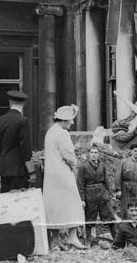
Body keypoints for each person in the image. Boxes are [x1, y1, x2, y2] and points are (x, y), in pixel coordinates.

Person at [43, 104, 87, 250]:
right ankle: (72, 237)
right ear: (64, 120)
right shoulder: (62, 133)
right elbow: (68, 155)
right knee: (73, 201)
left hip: (51, 174)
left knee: (54, 205)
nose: (72, 123)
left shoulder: (50, 132)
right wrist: (75, 164)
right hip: (62, 172)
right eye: (71, 120)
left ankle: (56, 239)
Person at [0, 90, 32, 193]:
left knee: (5, 200)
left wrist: (0, 164)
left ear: (10, 103)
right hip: (19, 169)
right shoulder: (23, 120)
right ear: (24, 103)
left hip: (4, 169)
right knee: (19, 202)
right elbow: (25, 148)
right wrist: (31, 171)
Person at [76, 147, 116, 244]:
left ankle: (116, 240)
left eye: (96, 152)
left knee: (109, 217)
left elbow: (107, 180)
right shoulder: (83, 166)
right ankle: (88, 241)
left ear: (99, 155)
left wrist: (110, 193)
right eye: (92, 152)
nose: (94, 154)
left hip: (102, 194)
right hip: (90, 195)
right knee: (89, 219)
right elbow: (80, 184)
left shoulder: (102, 166)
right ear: (89, 154)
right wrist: (82, 199)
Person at [115, 143, 137, 219]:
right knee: (125, 208)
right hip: (126, 187)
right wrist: (118, 190)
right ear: (131, 151)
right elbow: (118, 176)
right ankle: (125, 226)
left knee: (136, 207)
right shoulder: (124, 162)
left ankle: (134, 226)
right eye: (135, 151)